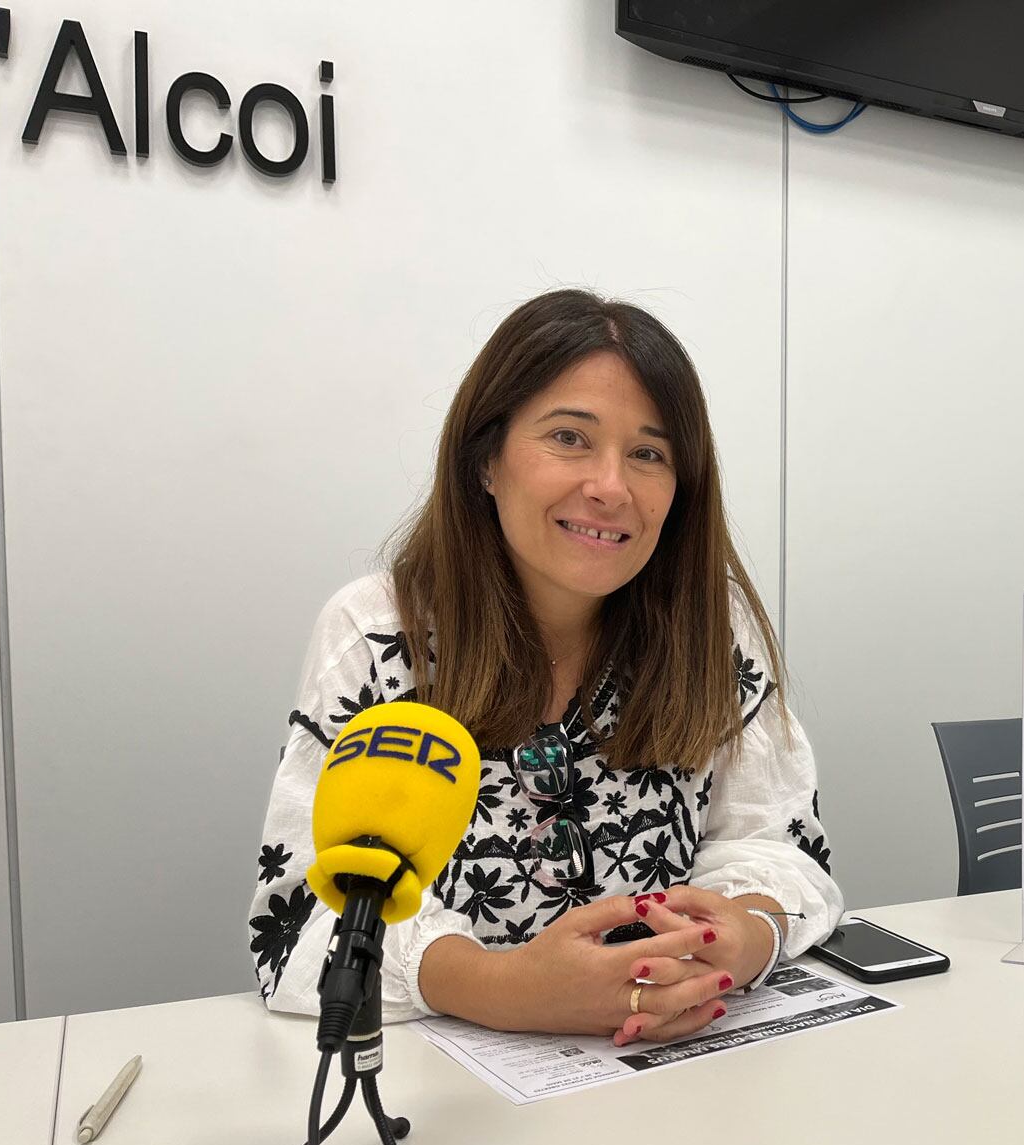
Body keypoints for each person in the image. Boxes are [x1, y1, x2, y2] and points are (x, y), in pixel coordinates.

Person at [245, 290, 843, 1047]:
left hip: (683, 1066)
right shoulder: (377, 633)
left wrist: (743, 937)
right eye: (569, 437)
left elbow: (780, 846)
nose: (611, 486)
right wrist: (500, 987)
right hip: (446, 1089)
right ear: (486, 460)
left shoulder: (712, 628)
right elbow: (301, 919)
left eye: (649, 454)